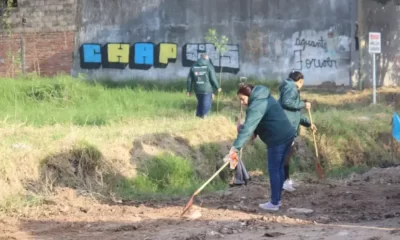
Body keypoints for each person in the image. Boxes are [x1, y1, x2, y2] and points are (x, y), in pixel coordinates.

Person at [224, 83, 296, 211]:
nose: (243, 103)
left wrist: (235, 148)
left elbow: (248, 130)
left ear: (249, 95)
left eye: (243, 99)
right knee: (279, 168)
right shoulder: (263, 98)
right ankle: (277, 200)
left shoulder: (256, 105)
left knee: (274, 169)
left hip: (277, 138)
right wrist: (243, 129)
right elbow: (253, 130)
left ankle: (274, 203)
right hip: (288, 134)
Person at [278, 71, 317, 192]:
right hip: (285, 127)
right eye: (302, 83)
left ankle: (286, 180)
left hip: (288, 126)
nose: (302, 85)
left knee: (287, 155)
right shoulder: (291, 87)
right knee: (285, 155)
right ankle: (283, 181)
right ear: (299, 81)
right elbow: (287, 103)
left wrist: (308, 123)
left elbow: (295, 114)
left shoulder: (290, 88)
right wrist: (303, 104)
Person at [186, 54, 221, 119]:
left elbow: (189, 80)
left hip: (197, 89)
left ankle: (198, 116)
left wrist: (189, 90)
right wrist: (217, 87)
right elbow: (213, 78)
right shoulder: (209, 66)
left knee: (200, 102)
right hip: (207, 89)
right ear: (206, 59)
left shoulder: (193, 66)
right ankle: (203, 116)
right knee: (206, 104)